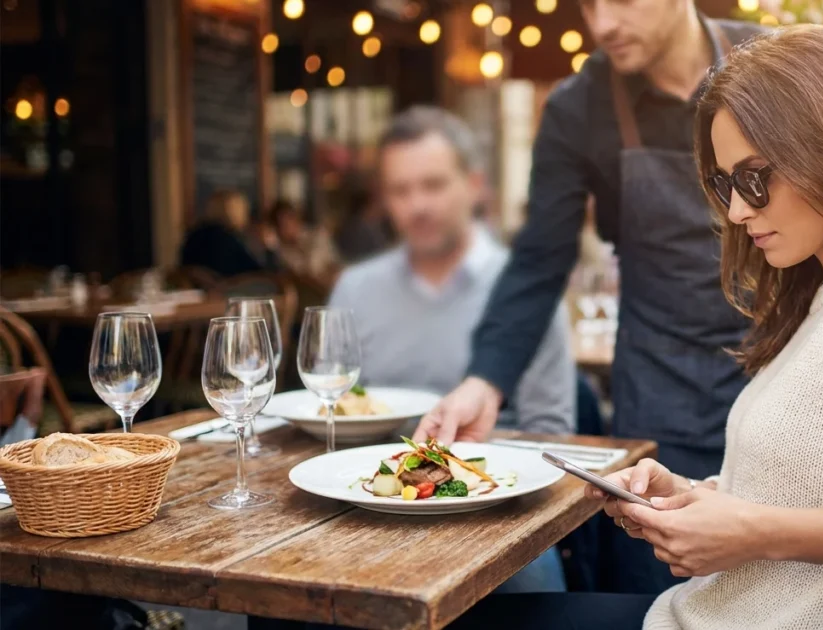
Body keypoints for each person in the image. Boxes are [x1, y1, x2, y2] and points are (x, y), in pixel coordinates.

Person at [443, 24, 823, 630]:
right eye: (723, 183)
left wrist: (753, 533)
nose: (736, 211)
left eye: (754, 178)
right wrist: (697, 497)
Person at [414, 0, 765, 595]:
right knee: (656, 596)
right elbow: (539, 260)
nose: (601, 24)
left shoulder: (768, 64)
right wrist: (487, 380)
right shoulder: (579, 107)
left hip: (775, 378)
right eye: (587, 4)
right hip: (659, 392)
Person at [329, 105, 574, 589]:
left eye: (434, 185)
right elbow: (334, 417)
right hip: (371, 517)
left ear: (475, 185)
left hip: (500, 521)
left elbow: (554, 435)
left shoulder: (525, 293)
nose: (417, 205)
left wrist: (471, 482)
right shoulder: (354, 290)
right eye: (401, 190)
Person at [180, 190, 273, 278]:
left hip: (193, 293)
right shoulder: (228, 239)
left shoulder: (194, 236)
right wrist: (269, 248)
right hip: (227, 292)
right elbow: (258, 274)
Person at [264, 200, 341, 283]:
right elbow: (303, 271)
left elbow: (312, 267)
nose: (285, 228)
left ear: (296, 218)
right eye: (280, 225)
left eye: (287, 221)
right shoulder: (282, 251)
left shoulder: (318, 235)